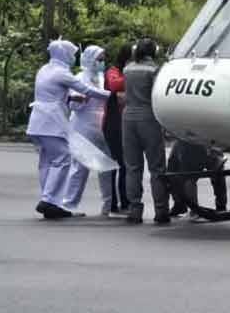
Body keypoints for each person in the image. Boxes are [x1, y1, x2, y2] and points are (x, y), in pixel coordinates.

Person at [27, 39, 110, 220]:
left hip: (37, 121)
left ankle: (50, 200)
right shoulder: (62, 73)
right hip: (51, 121)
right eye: (71, 54)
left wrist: (72, 98)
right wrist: (110, 95)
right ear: (64, 54)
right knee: (63, 158)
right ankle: (49, 200)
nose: (73, 58)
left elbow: (53, 93)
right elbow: (88, 90)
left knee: (47, 161)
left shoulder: (45, 70)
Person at [62, 46, 117, 216]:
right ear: (89, 59)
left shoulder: (102, 78)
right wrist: (82, 100)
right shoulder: (79, 78)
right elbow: (72, 105)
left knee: (106, 167)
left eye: (103, 59)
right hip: (83, 127)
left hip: (101, 127)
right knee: (80, 168)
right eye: (99, 59)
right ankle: (68, 205)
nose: (102, 63)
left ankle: (108, 206)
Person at [122, 38, 170, 225]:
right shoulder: (155, 70)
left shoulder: (127, 68)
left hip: (128, 117)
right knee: (156, 167)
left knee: (133, 167)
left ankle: (134, 210)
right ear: (153, 51)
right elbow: (158, 94)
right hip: (148, 117)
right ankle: (161, 211)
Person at [102, 44, 132, 213]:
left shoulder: (124, 71)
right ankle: (113, 201)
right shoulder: (113, 71)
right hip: (113, 124)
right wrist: (132, 75)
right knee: (116, 164)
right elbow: (113, 85)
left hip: (126, 122)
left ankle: (125, 201)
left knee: (125, 165)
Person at [167, 139, 227, 218]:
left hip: (191, 141)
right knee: (216, 171)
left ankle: (189, 207)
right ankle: (221, 206)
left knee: (186, 174)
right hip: (208, 141)